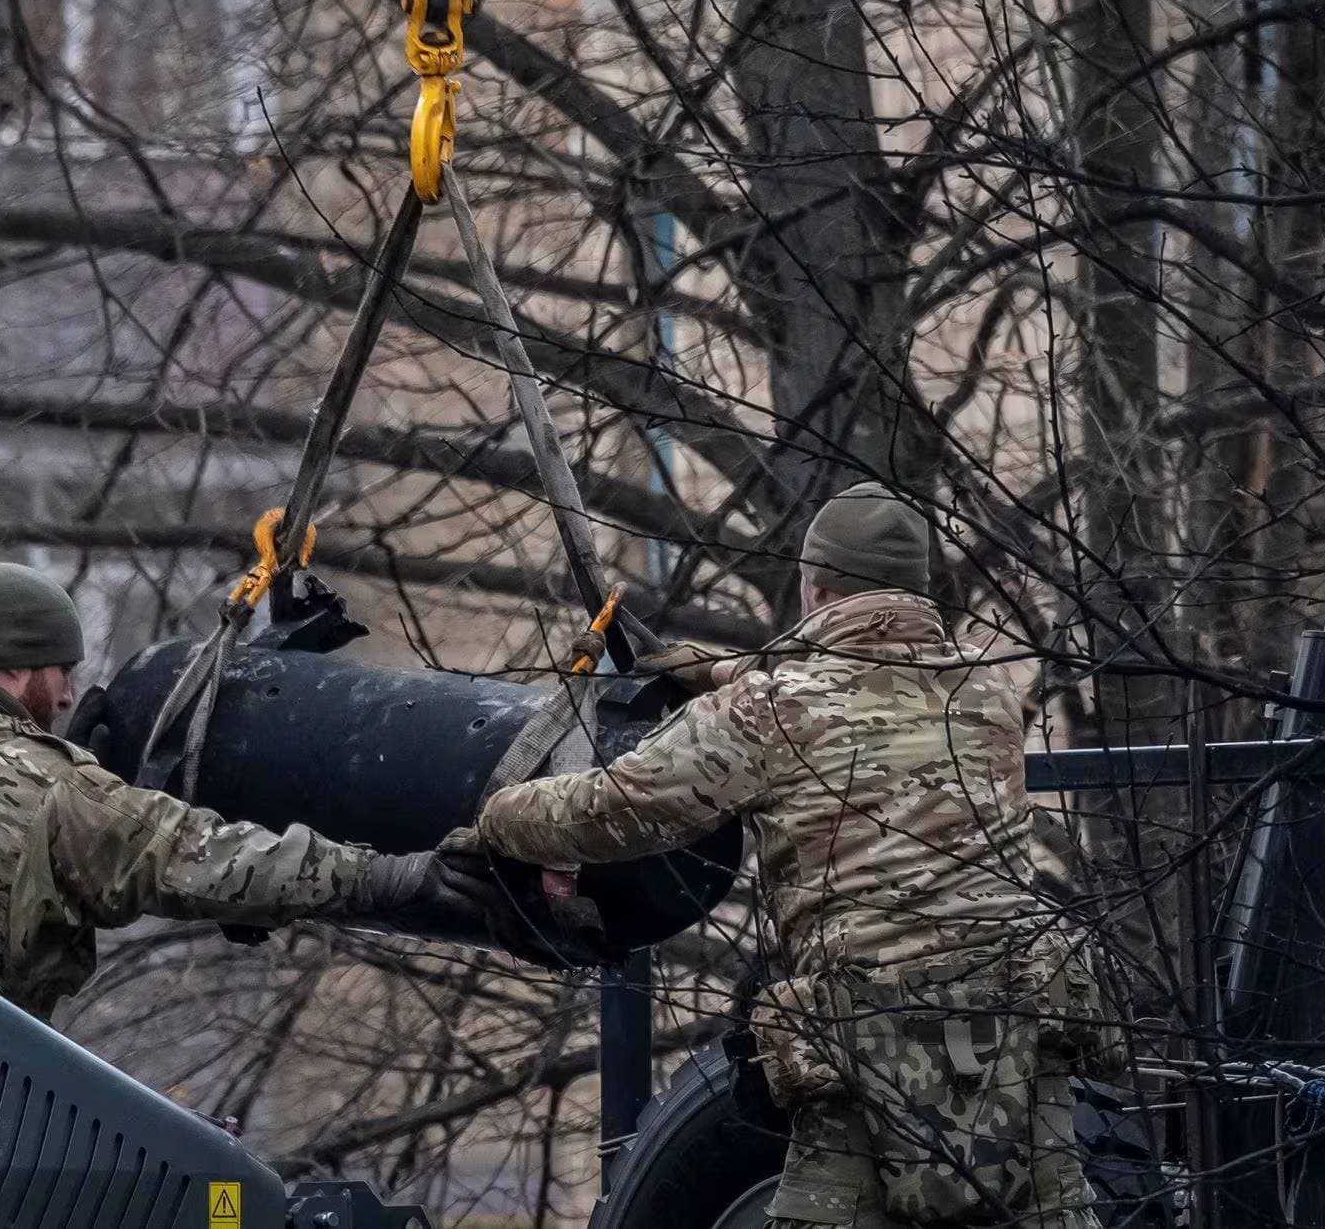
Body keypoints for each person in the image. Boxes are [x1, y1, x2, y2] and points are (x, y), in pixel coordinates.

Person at [447, 482, 1120, 1228]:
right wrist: (726, 667)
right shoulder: (986, 691)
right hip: (1017, 1054)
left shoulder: (772, 710)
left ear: (815, 586)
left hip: (865, 1058)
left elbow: (612, 809)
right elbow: (865, 674)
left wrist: (493, 815)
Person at [0, 562, 505, 1019]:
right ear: (15, 663)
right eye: (59, 671)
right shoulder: (43, 786)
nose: (69, 694)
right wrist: (390, 876)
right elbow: (208, 858)